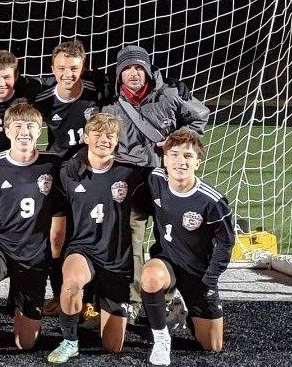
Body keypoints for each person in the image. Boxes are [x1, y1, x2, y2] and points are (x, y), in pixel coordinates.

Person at [102, 45, 210, 307]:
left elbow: (200, 116)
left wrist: (177, 139)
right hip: (129, 178)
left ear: (149, 70)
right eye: (127, 68)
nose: (133, 73)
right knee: (132, 239)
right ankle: (136, 301)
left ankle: (170, 297)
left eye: (139, 67)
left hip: (165, 177)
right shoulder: (110, 103)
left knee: (170, 239)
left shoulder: (170, 94)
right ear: (118, 74)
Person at [0, 102, 63, 363]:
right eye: (18, 126)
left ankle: (19, 304)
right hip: (1, 249)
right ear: (6, 130)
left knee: (25, 343)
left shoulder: (53, 165)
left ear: (40, 131)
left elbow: (61, 215)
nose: (24, 132)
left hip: (34, 258)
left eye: (30, 126)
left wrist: (54, 262)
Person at [47, 113, 150, 363]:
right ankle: (70, 340)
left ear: (116, 142)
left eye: (109, 136)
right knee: (70, 281)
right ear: (85, 137)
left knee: (113, 347)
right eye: (97, 134)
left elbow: (159, 199)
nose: (103, 139)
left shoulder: (132, 174)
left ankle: (104, 313)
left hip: (117, 259)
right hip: (83, 249)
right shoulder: (68, 173)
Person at [139, 129, 232, 366]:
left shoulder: (212, 200)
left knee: (212, 346)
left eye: (188, 157)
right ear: (165, 159)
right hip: (167, 263)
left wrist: (210, 278)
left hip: (198, 274)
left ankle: (184, 311)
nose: (181, 161)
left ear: (198, 163)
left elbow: (225, 242)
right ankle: (162, 340)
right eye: (175, 154)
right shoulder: (155, 180)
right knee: (149, 276)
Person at [32, 40, 105, 318]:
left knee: (91, 234)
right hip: (60, 177)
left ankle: (92, 299)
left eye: (73, 68)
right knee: (57, 237)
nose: (67, 74)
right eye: (61, 68)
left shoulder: (96, 93)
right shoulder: (43, 100)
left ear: (82, 67)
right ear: (52, 68)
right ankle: (57, 292)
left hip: (91, 175)